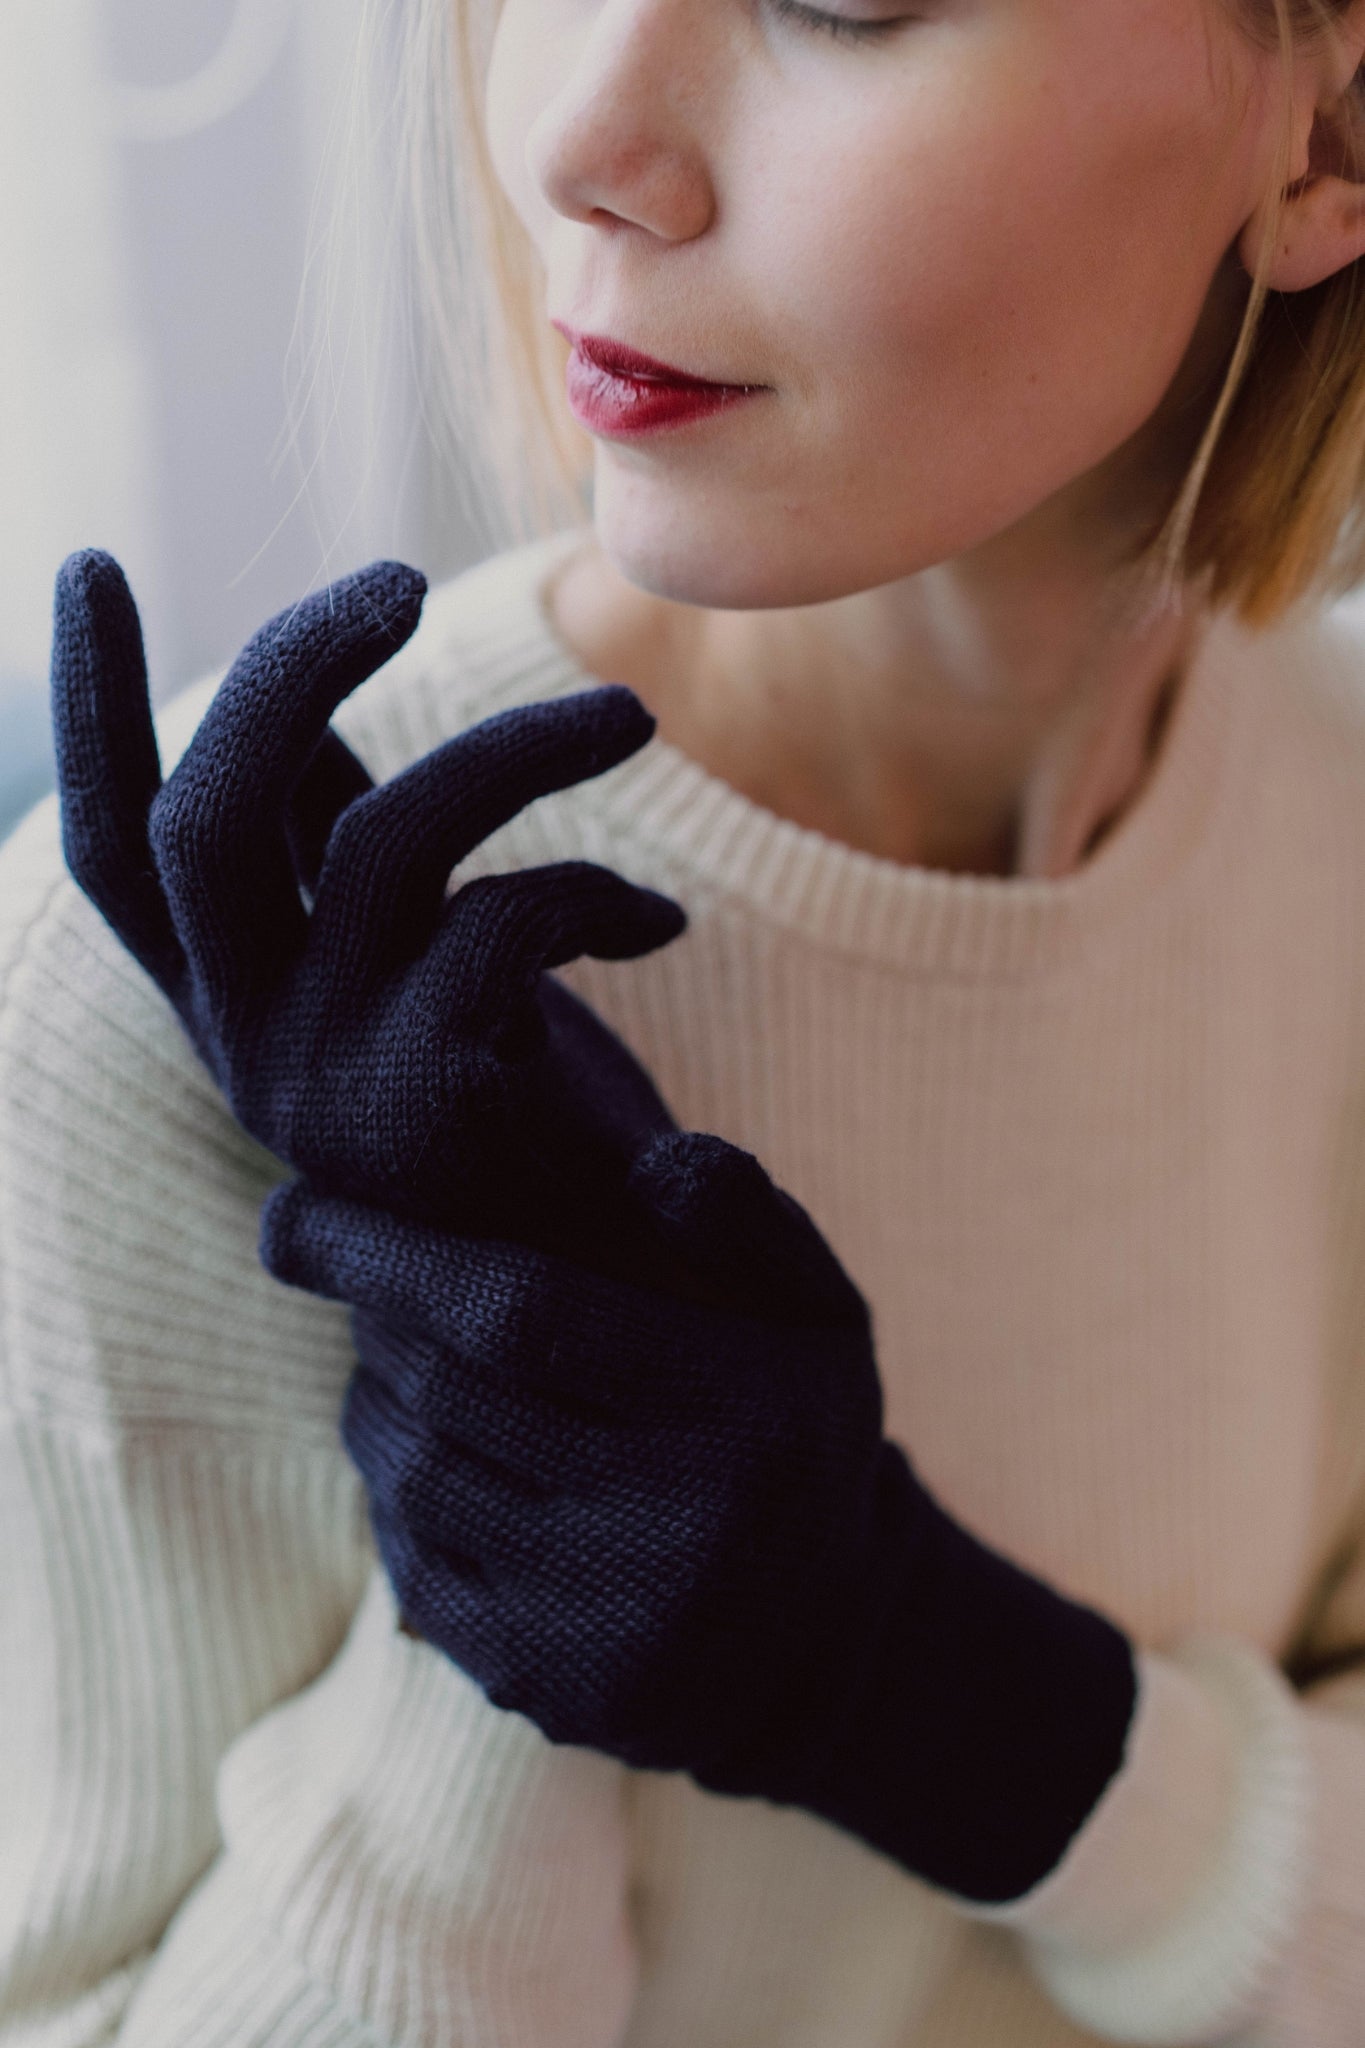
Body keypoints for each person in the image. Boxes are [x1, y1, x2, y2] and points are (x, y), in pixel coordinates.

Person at [7, 0, 1365, 2040]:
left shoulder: (1333, 829)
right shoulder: (184, 987)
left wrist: (923, 1686)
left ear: (1326, 129)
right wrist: (497, 1621)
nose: (571, 136)